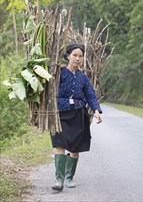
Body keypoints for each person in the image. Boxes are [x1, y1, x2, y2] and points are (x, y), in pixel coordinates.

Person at [51, 43, 102, 191]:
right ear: (68, 56)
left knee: (75, 147)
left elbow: (90, 95)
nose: (77, 58)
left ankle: (69, 177)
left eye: (80, 56)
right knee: (59, 144)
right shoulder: (59, 73)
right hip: (60, 113)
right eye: (74, 55)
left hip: (78, 113)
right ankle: (59, 180)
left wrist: (97, 110)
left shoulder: (83, 77)